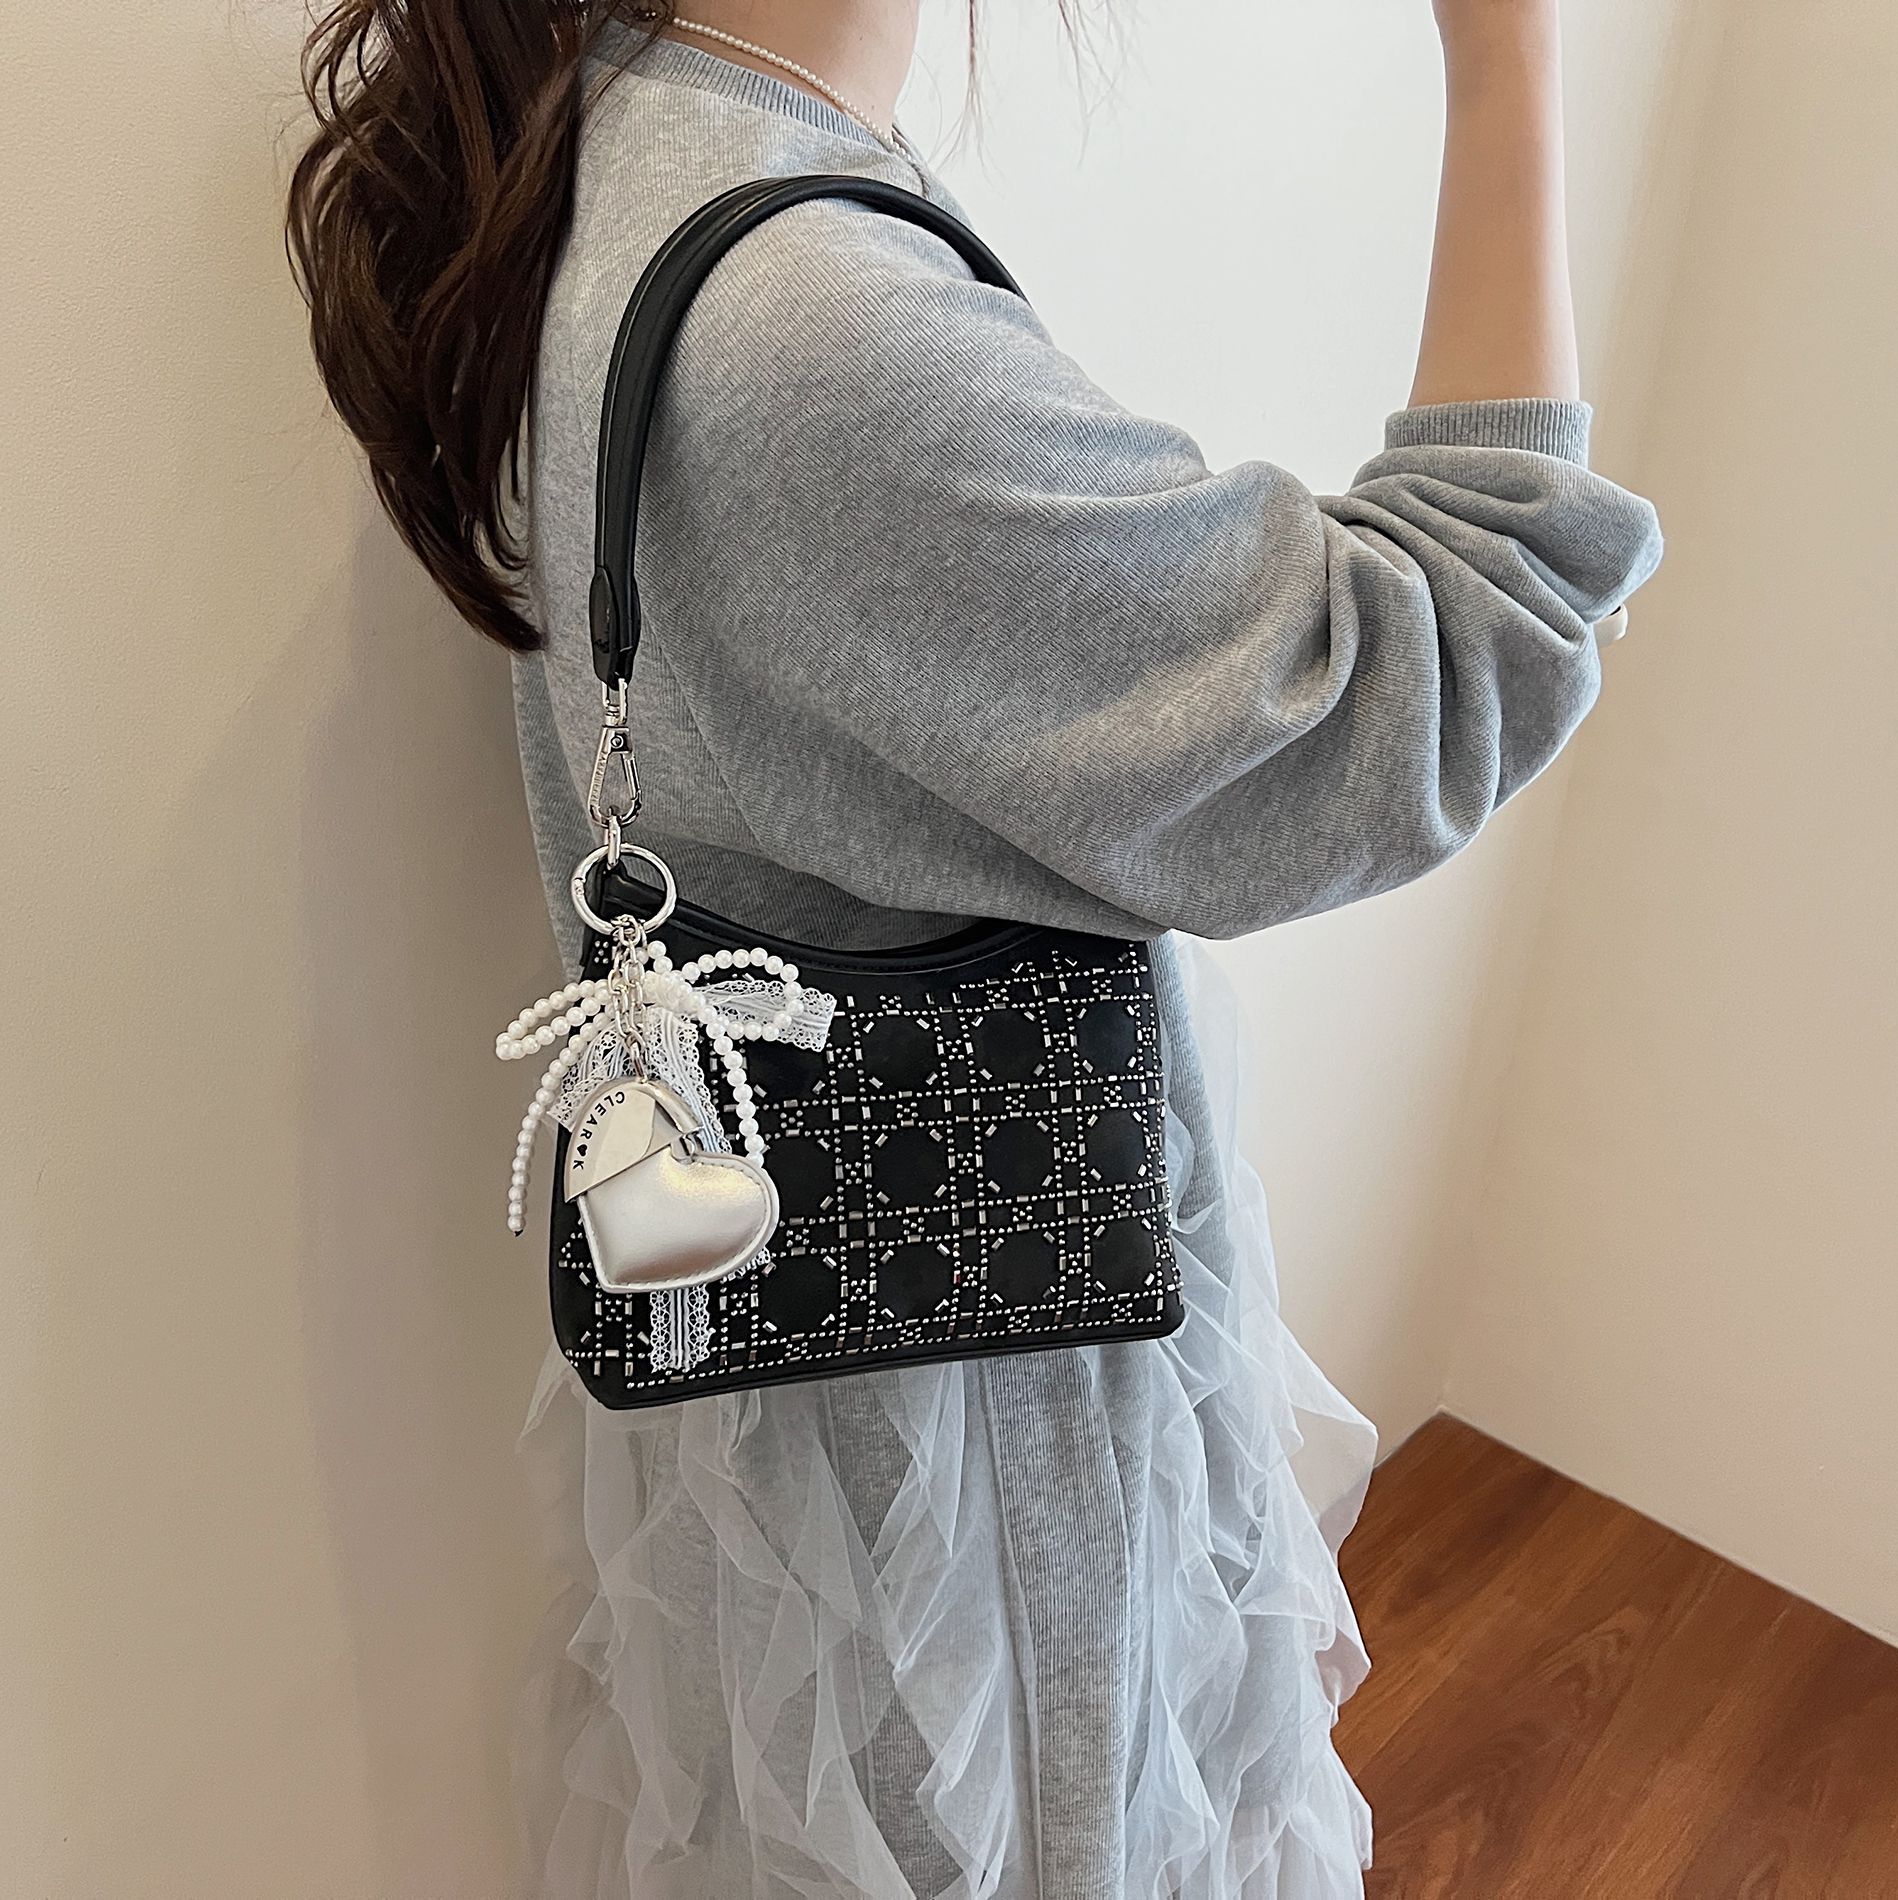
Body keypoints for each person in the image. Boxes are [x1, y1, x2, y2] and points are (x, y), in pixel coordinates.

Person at [287, 1, 1661, 1892]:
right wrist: (1511, 60)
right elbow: (1439, 663)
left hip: (817, 1367)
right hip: (974, 1451)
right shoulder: (810, 318)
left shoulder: (615, 132)